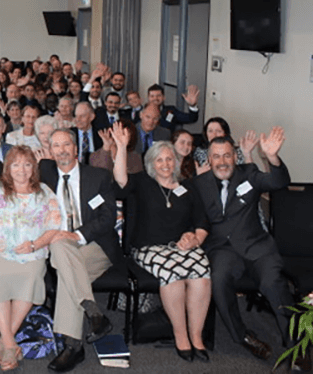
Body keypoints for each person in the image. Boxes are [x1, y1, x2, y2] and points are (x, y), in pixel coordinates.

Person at [110, 123, 212, 363]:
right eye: (159, 160)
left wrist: (195, 238)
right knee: (173, 274)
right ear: (151, 164)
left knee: (202, 271)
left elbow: (202, 222)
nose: (165, 164)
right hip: (149, 248)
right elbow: (120, 182)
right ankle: (180, 336)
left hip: (184, 246)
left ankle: (196, 336)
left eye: (169, 159)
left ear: (176, 162)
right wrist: (122, 148)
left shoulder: (188, 187)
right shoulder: (143, 183)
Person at [192, 130, 294, 361]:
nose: (222, 161)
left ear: (235, 157)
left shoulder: (250, 174)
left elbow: (279, 181)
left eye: (227, 155)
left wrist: (272, 158)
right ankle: (242, 336)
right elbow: (187, 214)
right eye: (216, 156)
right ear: (209, 159)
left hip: (257, 247)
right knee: (218, 282)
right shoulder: (198, 183)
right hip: (222, 250)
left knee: (274, 284)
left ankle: (296, 343)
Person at [0, 146, 62, 371]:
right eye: (16, 164)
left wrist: (35, 245)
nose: (22, 170)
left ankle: (4, 341)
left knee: (31, 276)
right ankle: (11, 343)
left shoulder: (45, 192)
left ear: (34, 168)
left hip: (31, 251)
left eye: (27, 164)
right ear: (8, 168)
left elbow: (54, 226)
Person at [38, 128, 117, 372]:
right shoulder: (42, 172)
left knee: (65, 271)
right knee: (61, 248)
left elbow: (108, 217)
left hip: (95, 245)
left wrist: (77, 235)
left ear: (76, 148)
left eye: (66, 145)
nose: (61, 150)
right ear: (51, 151)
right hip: (59, 246)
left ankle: (74, 347)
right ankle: (93, 314)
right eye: (56, 146)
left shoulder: (98, 176)